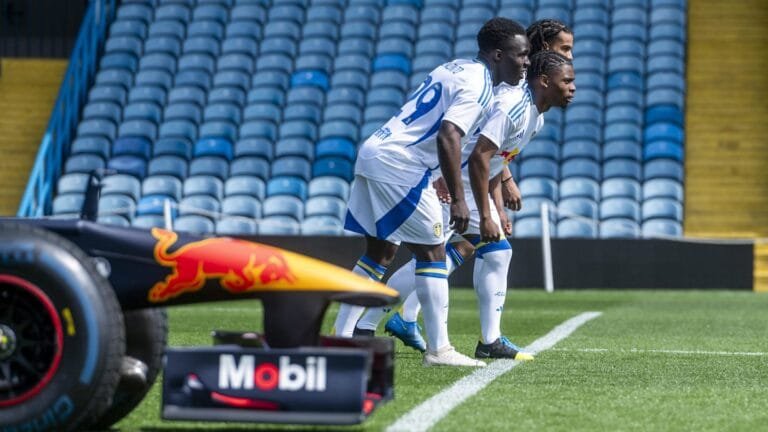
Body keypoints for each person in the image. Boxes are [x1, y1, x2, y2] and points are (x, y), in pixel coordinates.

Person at [350, 20, 575, 358]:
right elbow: (478, 148)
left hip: (463, 178)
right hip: (452, 177)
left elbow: (495, 155)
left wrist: (498, 198)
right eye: (565, 49)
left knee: (452, 250)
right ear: (544, 49)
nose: (569, 56)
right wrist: (475, 199)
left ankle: (394, 321)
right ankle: (467, 339)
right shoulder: (509, 95)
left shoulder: (527, 105)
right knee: (441, 251)